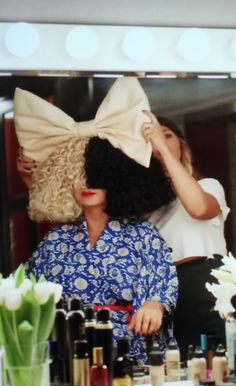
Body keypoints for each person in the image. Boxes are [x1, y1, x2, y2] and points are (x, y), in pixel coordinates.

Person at [13, 78, 178, 364]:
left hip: (131, 350)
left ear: (116, 178)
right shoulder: (55, 242)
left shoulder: (143, 235)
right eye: (79, 175)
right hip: (68, 351)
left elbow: (162, 284)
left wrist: (155, 304)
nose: (88, 184)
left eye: (98, 175)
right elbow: (25, 294)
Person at [142, 111, 230, 362]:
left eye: (167, 135)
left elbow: (199, 208)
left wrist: (163, 150)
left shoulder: (208, 186)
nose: (158, 140)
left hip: (204, 281)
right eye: (152, 139)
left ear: (182, 144)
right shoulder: (145, 207)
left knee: (219, 365)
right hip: (163, 293)